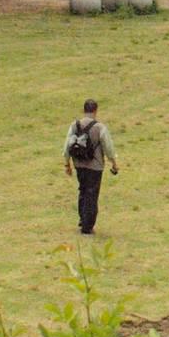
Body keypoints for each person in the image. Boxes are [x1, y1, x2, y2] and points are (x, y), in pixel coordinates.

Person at [63, 98, 119, 236]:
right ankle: (87, 227)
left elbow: (67, 146)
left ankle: (83, 220)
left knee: (82, 190)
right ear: (95, 110)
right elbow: (108, 148)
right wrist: (114, 163)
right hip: (95, 166)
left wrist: (67, 164)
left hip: (79, 164)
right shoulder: (100, 127)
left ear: (84, 110)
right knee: (92, 195)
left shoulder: (74, 125)